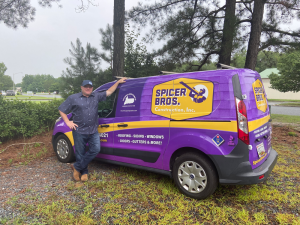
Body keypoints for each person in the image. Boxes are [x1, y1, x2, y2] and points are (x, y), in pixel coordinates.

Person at [58, 78, 127, 182]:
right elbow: (62, 109)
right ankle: (84, 172)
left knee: (96, 149)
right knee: (80, 153)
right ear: (82, 87)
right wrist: (67, 122)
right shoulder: (73, 98)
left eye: (90, 87)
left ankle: (76, 167)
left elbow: (109, 92)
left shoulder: (96, 96)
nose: (88, 88)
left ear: (92, 88)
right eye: (86, 87)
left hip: (93, 130)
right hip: (79, 131)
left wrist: (117, 83)